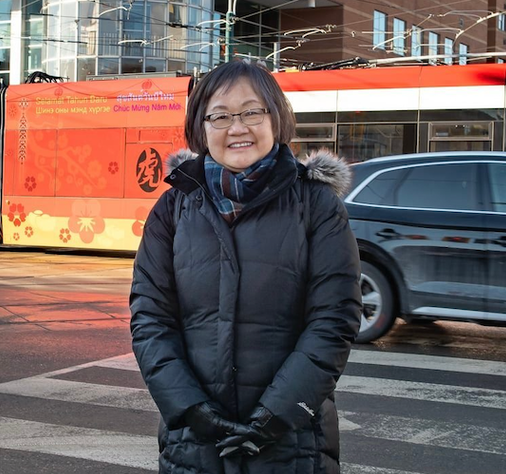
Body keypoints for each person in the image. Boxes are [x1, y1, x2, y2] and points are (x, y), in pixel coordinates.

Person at [130, 59, 362, 474]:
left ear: (276, 118)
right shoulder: (173, 208)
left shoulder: (317, 205)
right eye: (219, 116)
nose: (237, 128)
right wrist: (189, 408)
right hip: (194, 444)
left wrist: (276, 415)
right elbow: (150, 318)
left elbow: (334, 318)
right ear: (201, 128)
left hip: (292, 442)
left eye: (252, 112)